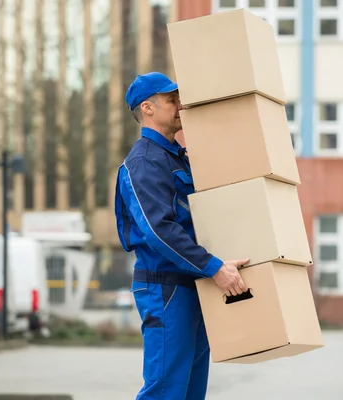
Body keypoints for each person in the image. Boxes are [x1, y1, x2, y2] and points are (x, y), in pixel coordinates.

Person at [114, 71, 249, 400]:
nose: (180, 104)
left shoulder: (178, 156)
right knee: (166, 390)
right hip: (166, 290)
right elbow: (159, 230)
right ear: (147, 108)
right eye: (171, 99)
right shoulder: (144, 162)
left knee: (189, 391)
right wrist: (214, 267)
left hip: (193, 284)